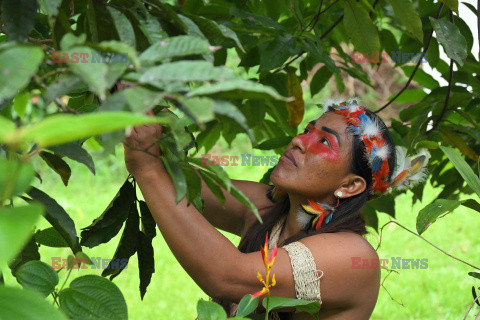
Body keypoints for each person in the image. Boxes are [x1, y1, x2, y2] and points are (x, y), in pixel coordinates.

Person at [123, 98, 430, 319]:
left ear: (349, 186)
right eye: (308, 130)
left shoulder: (352, 256)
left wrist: (146, 168)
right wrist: (143, 113)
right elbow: (177, 184)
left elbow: (227, 276)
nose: (298, 140)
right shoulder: (266, 207)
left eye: (323, 142)